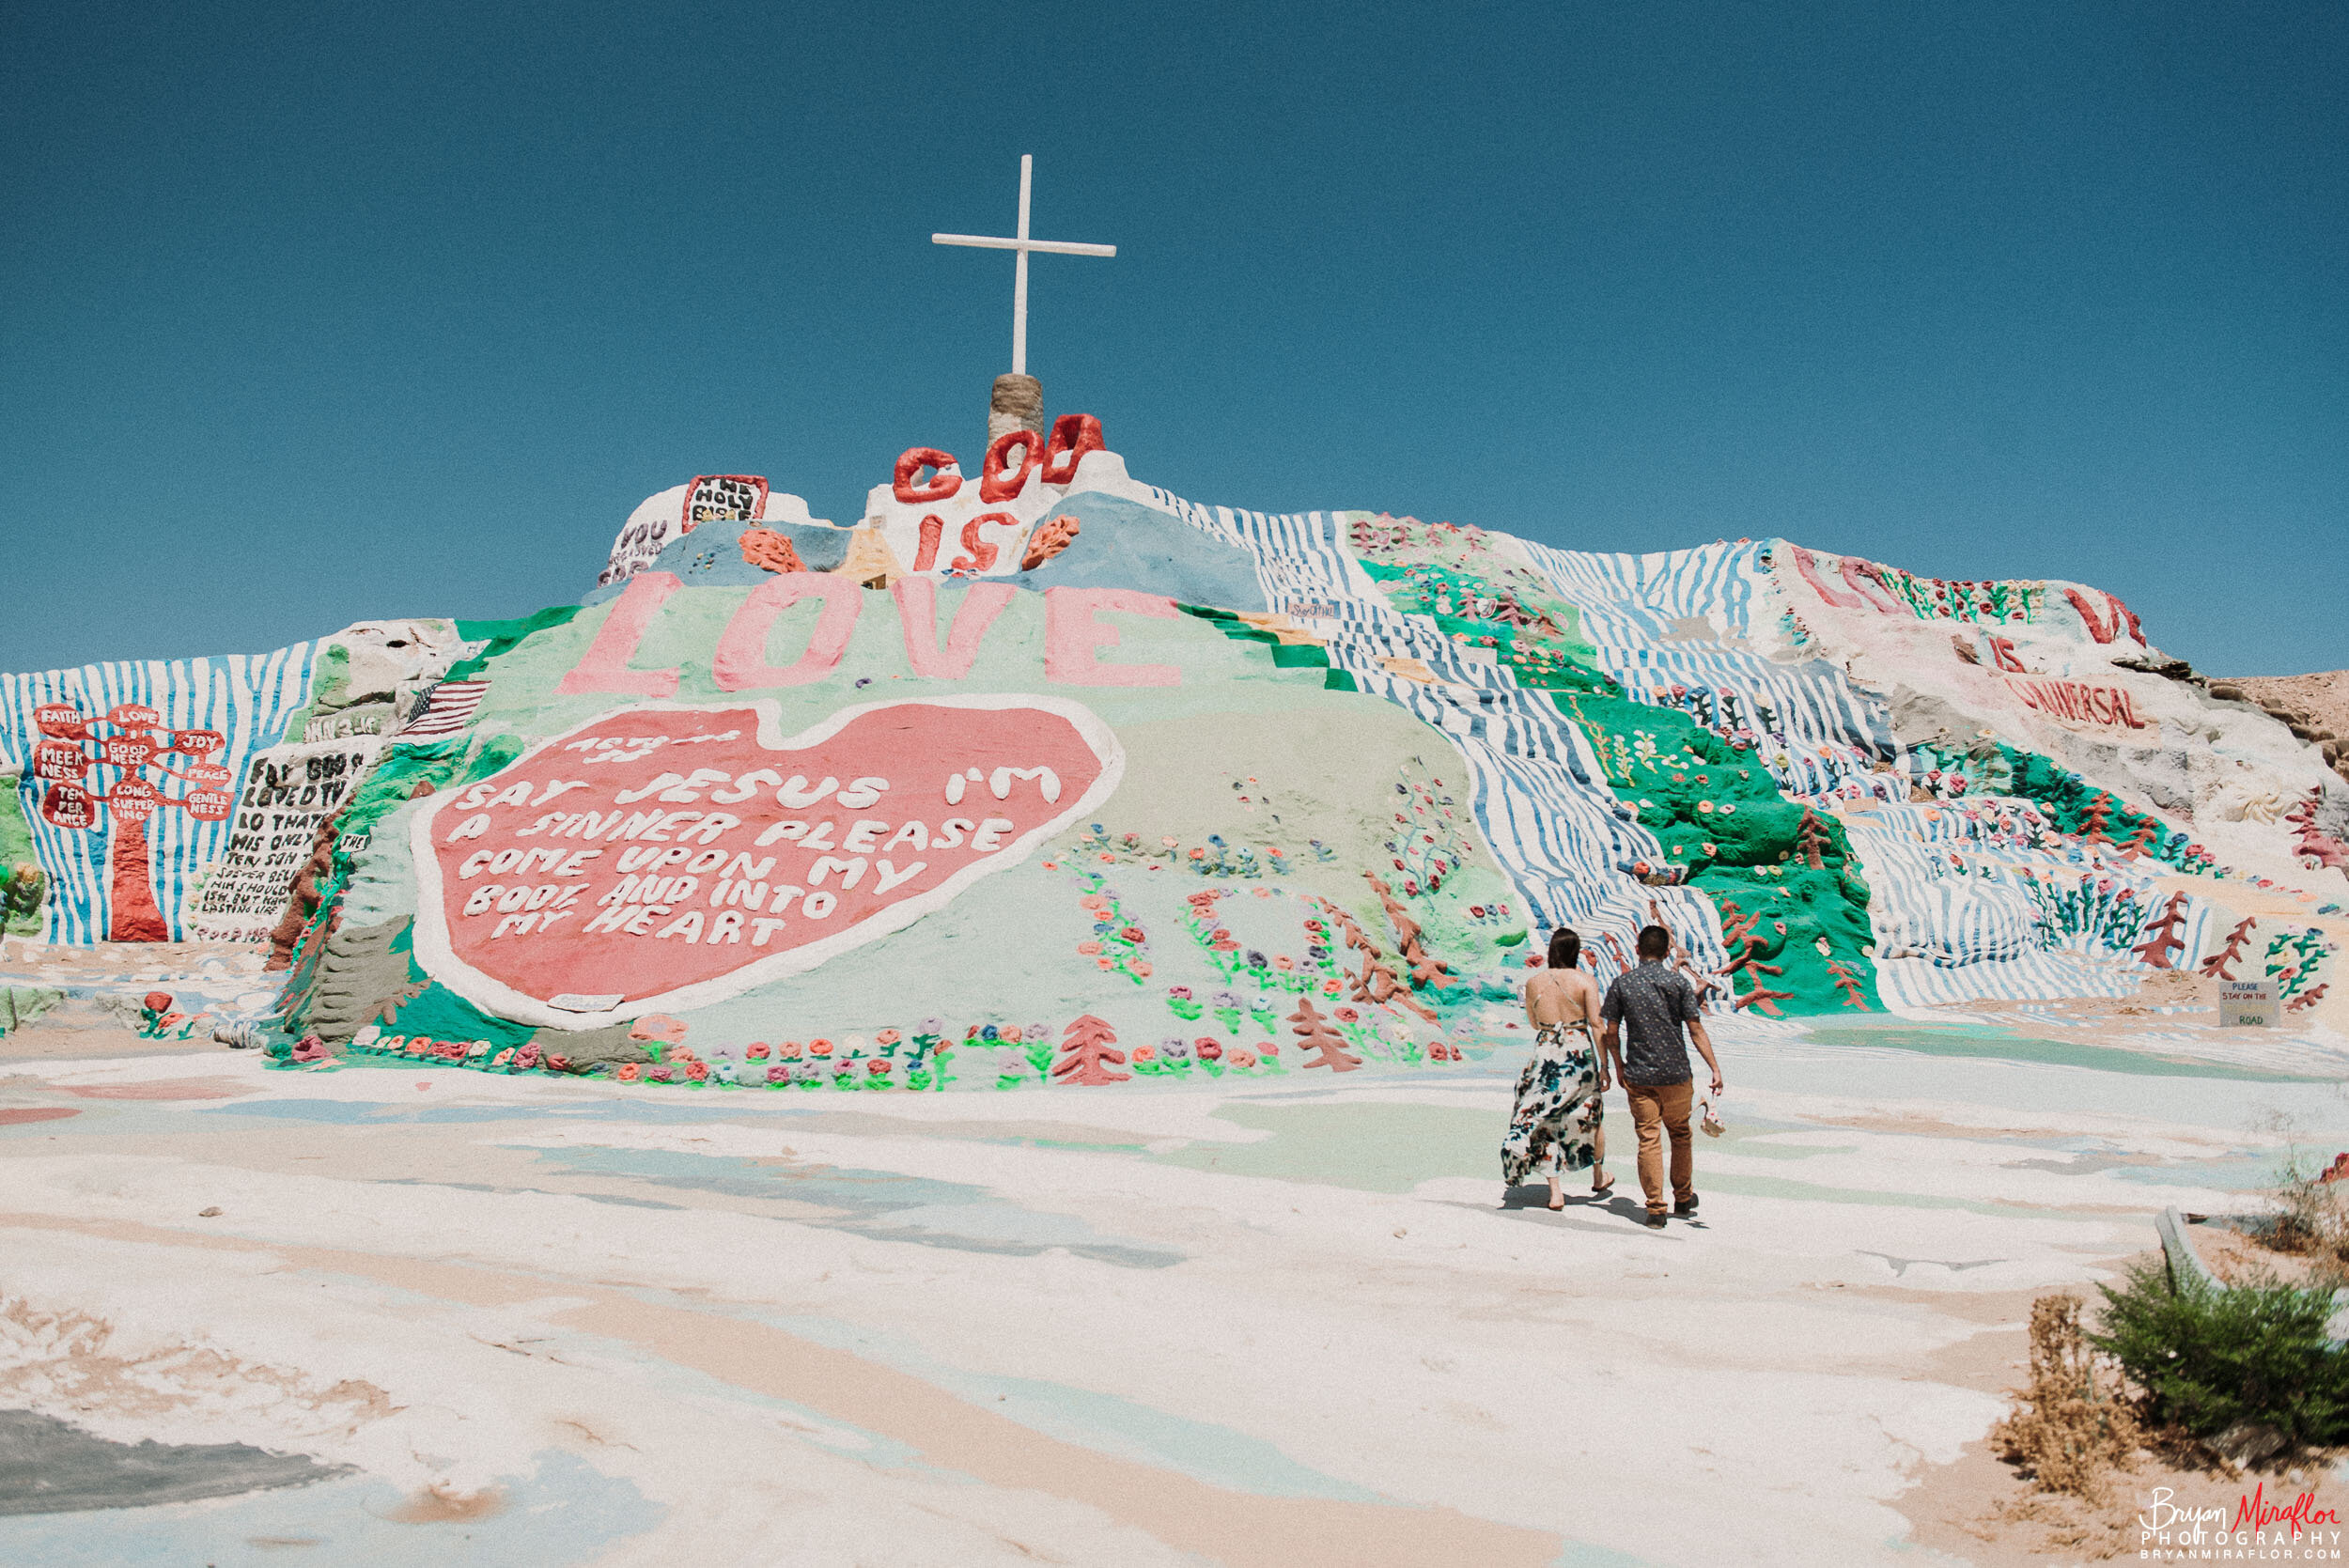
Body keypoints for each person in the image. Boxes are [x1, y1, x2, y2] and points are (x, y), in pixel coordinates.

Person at [1599, 924, 1724, 1228]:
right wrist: (1714, 1068)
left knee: (1649, 1138)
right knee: (1680, 1133)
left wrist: (1618, 1066)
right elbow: (1695, 1028)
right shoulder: (1677, 983)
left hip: (1640, 1075)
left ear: (1638, 950)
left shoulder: (1622, 983)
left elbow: (1610, 1033)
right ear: (1668, 952)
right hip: (1676, 1073)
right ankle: (1683, 1196)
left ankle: (1656, 1209)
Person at [1501, 927, 1614, 1211]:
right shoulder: (1585, 980)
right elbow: (1598, 1025)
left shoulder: (1534, 982)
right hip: (1579, 1053)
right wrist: (1606, 1065)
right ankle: (1598, 1176)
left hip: (1547, 1052)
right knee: (1590, 1113)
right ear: (1575, 952)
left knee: (1546, 1118)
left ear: (1551, 951)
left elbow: (1534, 1022)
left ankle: (1555, 1192)